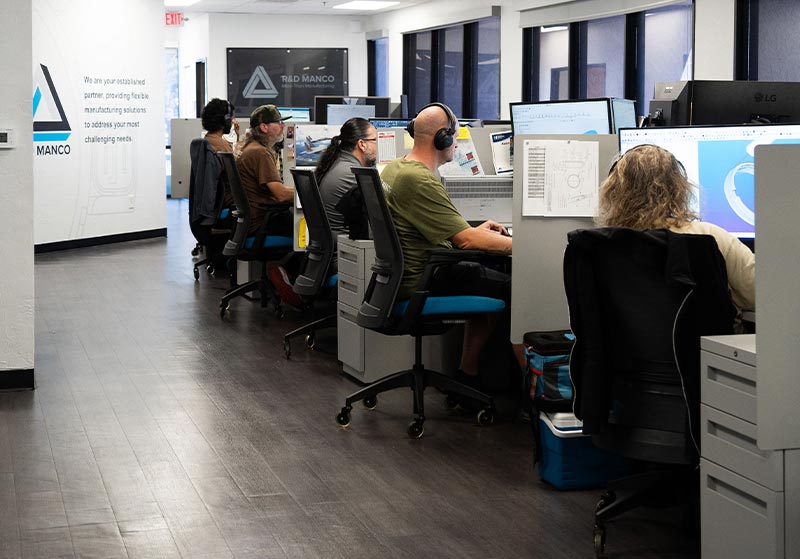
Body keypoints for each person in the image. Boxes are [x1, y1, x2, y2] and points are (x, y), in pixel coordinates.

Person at [380, 102, 516, 386]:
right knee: (514, 287)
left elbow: (457, 232)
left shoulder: (397, 169)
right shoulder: (419, 180)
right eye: (454, 135)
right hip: (424, 279)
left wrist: (477, 231)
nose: (455, 141)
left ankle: (468, 375)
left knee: (482, 276)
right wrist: (522, 245)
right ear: (442, 137)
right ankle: (520, 389)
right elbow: (465, 241)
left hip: (404, 277)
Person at [597, 144, 755, 315]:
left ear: (612, 191)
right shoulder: (711, 237)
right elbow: (761, 294)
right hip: (704, 341)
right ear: (678, 189)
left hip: (627, 342)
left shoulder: (600, 246)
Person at [235, 104, 302, 308]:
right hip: (262, 223)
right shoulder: (261, 154)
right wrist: (311, 192)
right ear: (264, 127)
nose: (283, 126)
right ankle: (295, 283)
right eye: (279, 123)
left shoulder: (251, 148)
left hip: (251, 222)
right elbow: (281, 195)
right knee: (315, 234)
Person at [314, 117, 378, 272]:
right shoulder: (352, 175)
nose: (378, 145)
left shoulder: (338, 164)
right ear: (362, 144)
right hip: (345, 257)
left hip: (332, 254)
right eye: (375, 140)